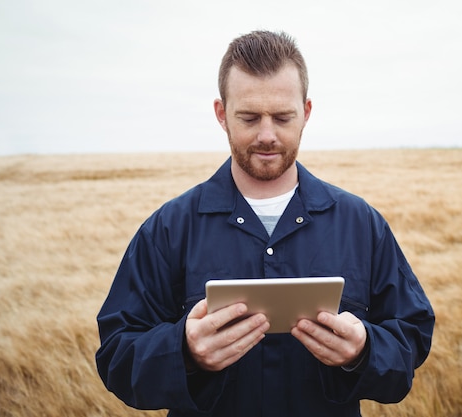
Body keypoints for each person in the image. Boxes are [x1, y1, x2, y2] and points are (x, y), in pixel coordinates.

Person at [96, 30, 435, 417]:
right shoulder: (168, 229)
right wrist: (184, 351)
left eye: (283, 117)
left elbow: (412, 337)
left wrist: (365, 350)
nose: (267, 135)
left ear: (306, 112)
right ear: (221, 114)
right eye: (250, 117)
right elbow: (116, 357)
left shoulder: (361, 224)